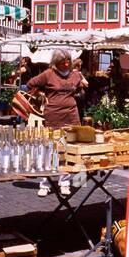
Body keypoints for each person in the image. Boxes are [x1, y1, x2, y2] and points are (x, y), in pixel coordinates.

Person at [27, 49, 86, 196]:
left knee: (67, 150)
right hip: (53, 115)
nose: (66, 64)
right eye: (62, 62)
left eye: (68, 61)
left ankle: (64, 183)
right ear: (56, 62)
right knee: (49, 149)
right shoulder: (48, 74)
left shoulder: (75, 74)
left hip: (71, 115)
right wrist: (41, 95)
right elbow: (30, 83)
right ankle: (45, 183)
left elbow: (80, 87)